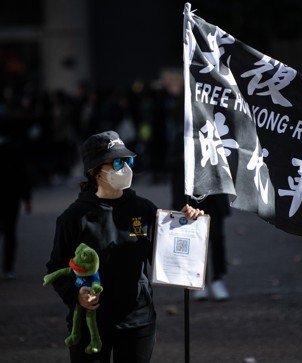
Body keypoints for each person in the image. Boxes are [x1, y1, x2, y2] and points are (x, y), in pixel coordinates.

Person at [45, 131, 203, 363]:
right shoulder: (73, 217)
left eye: (128, 161)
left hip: (138, 321)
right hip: (91, 325)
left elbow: (169, 255)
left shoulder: (145, 209)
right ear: (95, 171)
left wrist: (190, 223)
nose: (126, 168)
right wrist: (76, 294)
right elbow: (55, 268)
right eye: (117, 162)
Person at [0, 135, 32, 279]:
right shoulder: (14, 150)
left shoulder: (13, 150)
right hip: (11, 197)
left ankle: (8, 268)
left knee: (9, 232)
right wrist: (27, 199)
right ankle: (8, 268)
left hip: (10, 197)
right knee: (10, 232)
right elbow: (22, 174)